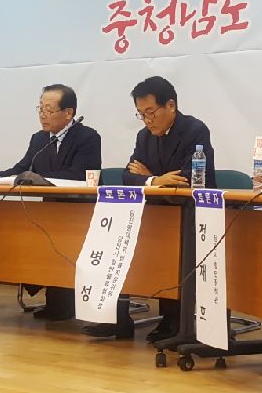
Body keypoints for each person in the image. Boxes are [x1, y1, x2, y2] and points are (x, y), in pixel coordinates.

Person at [82, 76, 215, 341]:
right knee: (118, 240)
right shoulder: (144, 136)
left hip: (190, 214)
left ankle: (174, 322)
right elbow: (128, 175)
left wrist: (150, 176)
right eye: (141, 114)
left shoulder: (195, 130)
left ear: (171, 106)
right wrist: (155, 180)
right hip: (152, 213)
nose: (147, 120)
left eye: (151, 112)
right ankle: (117, 317)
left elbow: (186, 178)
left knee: (172, 249)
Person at [0, 84, 101, 321]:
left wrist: (40, 178)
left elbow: (79, 174)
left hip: (80, 210)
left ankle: (66, 305)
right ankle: (56, 304)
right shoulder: (39, 139)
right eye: (40, 109)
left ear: (68, 113)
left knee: (62, 246)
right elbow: (22, 167)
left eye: (48, 109)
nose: (42, 115)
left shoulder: (87, 137)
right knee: (37, 241)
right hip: (49, 208)